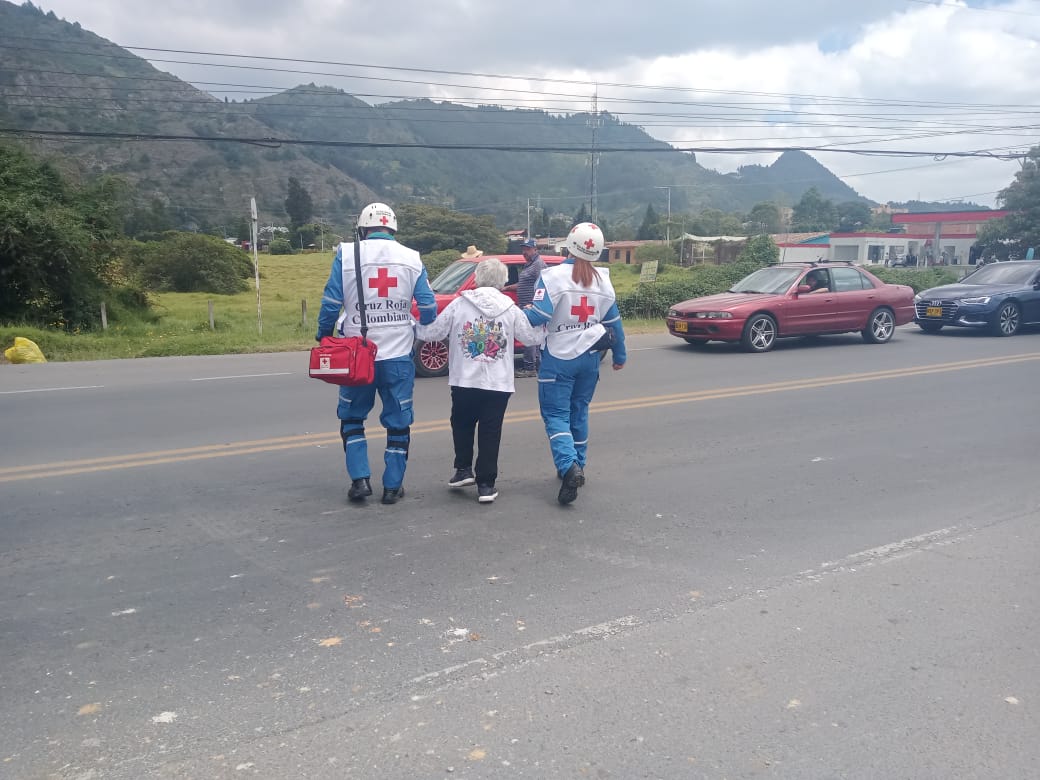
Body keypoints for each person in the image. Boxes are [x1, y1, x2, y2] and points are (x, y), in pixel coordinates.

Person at [316, 202, 438, 505]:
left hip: (357, 354)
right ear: (393, 228)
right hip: (397, 356)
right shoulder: (412, 258)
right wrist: (417, 327)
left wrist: (324, 335)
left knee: (352, 418)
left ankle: (360, 481)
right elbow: (428, 307)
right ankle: (393, 487)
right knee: (398, 421)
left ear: (363, 228)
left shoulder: (346, 254)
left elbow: (331, 302)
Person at [415, 258, 540, 503]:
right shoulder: (511, 308)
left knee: (461, 423)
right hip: (498, 382)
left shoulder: (459, 304)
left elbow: (435, 333)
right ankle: (486, 484)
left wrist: (411, 326)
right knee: (490, 430)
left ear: (478, 277)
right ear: (504, 282)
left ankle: (462, 470)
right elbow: (529, 337)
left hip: (464, 379)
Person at [523, 222, 626, 505]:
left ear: (569, 244)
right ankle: (579, 463)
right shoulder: (604, 280)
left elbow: (538, 316)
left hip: (559, 357)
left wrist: (513, 313)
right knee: (579, 411)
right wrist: (620, 356)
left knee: (556, 415)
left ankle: (569, 467)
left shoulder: (552, 277)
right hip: (591, 358)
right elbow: (614, 322)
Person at [515, 238, 546, 378]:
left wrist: (535, 304)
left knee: (529, 337)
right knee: (533, 337)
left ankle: (529, 367)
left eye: (527, 249)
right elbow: (524, 284)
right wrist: (507, 287)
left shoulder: (539, 265)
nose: (524, 252)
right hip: (525, 306)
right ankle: (536, 365)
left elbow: (544, 285)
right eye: (523, 249)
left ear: (535, 249)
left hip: (532, 308)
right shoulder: (529, 265)